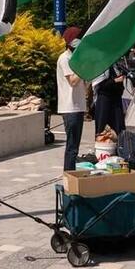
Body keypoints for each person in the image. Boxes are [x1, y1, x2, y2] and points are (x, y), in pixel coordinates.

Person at [57, 27, 87, 171]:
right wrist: (84, 66)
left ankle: (71, 173)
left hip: (78, 106)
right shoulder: (65, 58)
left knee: (75, 145)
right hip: (70, 107)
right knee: (72, 146)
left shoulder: (75, 58)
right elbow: (73, 81)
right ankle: (68, 174)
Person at [92, 58, 126, 135]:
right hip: (104, 100)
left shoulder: (116, 65)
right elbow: (100, 86)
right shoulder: (100, 65)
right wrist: (114, 81)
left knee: (118, 128)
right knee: (102, 130)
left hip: (116, 100)